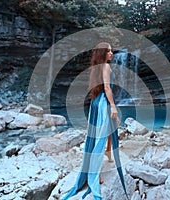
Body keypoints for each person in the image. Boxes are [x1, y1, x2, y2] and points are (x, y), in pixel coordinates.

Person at [63, 42, 128, 200]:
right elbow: (107, 88)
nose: (112, 53)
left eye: (112, 51)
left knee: (108, 128)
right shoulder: (105, 67)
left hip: (96, 103)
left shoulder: (97, 68)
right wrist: (113, 106)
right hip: (104, 102)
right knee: (100, 135)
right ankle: (95, 172)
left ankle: (108, 152)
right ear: (102, 53)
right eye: (109, 51)